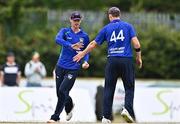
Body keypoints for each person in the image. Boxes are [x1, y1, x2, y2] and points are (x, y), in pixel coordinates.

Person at [73, 7, 142, 123]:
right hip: (126, 60)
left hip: (112, 60)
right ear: (119, 15)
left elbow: (93, 43)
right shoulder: (128, 26)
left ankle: (105, 118)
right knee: (129, 87)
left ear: (110, 16)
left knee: (109, 89)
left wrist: (82, 53)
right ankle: (127, 110)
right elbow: (136, 43)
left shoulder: (106, 28)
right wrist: (139, 57)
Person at [47, 11, 90, 123]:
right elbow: (57, 39)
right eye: (74, 20)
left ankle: (55, 117)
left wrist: (85, 61)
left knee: (62, 90)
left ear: (80, 21)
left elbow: (86, 51)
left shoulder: (84, 36)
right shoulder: (64, 31)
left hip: (73, 68)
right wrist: (70, 45)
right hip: (60, 66)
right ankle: (69, 105)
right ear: (70, 20)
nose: (76, 22)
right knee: (59, 93)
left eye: (78, 20)